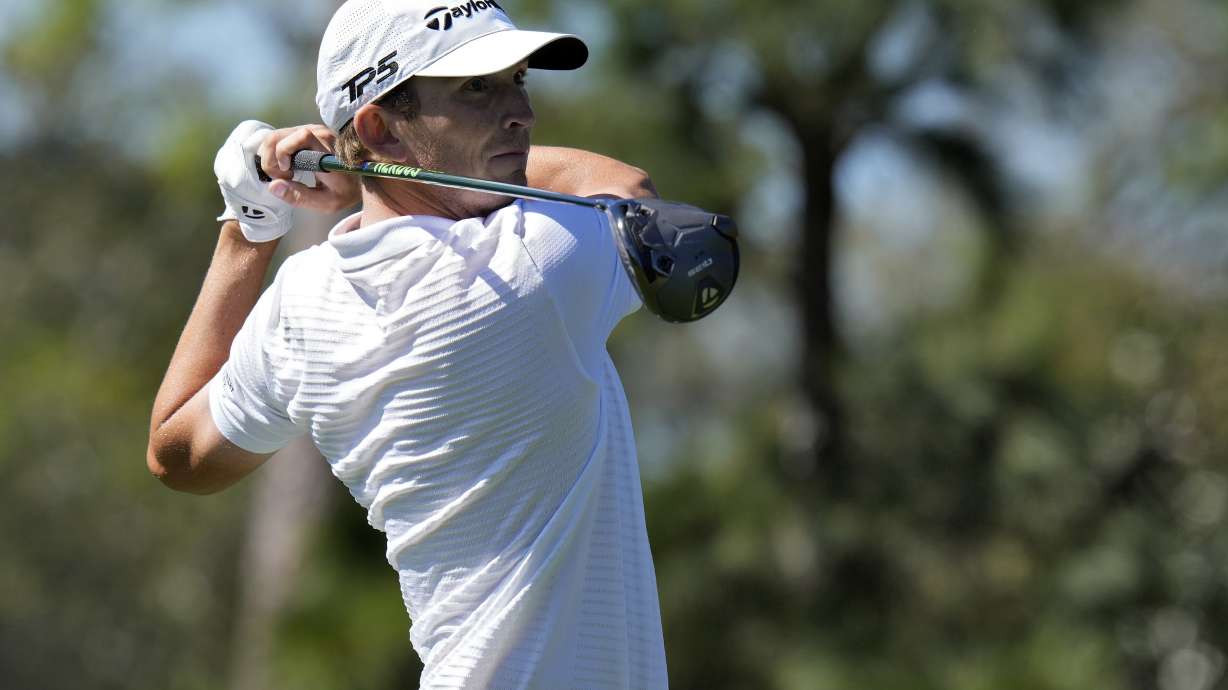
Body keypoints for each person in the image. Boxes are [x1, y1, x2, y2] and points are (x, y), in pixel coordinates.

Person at [147, 0, 671, 686]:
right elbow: (628, 190)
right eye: (477, 89)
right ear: (378, 126)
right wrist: (358, 166)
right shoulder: (535, 263)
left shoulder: (300, 307)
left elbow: (178, 453)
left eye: (519, 81)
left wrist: (249, 226)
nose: (521, 112)